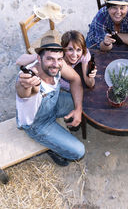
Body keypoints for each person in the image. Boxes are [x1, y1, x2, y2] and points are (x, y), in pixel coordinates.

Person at [15, 34, 85, 166]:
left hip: (54, 105)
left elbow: (75, 79)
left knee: (83, 101)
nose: (55, 64)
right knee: (79, 151)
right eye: (50, 59)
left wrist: (78, 109)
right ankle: (53, 148)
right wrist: (24, 84)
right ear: (39, 59)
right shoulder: (30, 76)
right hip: (38, 123)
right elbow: (24, 91)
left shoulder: (59, 64)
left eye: (59, 59)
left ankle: (58, 133)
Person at [17, 30, 97, 91]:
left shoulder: (84, 54)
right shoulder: (56, 61)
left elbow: (90, 84)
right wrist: (40, 56)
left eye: (78, 50)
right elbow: (19, 61)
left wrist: (90, 76)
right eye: (70, 49)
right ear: (63, 49)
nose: (74, 55)